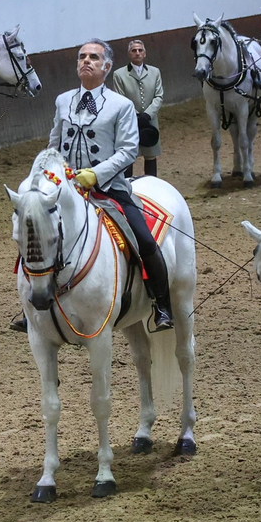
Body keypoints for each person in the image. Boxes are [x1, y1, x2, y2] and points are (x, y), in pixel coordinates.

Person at [35, 39, 173, 334]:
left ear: (107, 67)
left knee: (144, 240)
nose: (87, 61)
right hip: (67, 190)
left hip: (109, 189)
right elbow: (54, 145)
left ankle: (162, 303)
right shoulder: (62, 101)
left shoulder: (121, 106)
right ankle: (33, 301)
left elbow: (127, 150)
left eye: (94, 57)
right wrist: (51, 175)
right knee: (35, 231)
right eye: (82, 57)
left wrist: (96, 175)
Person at [110, 39, 163, 178]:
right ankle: (127, 185)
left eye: (140, 50)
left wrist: (148, 115)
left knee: (150, 155)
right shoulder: (119, 75)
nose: (137, 53)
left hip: (150, 121)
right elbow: (119, 98)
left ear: (144, 53)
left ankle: (152, 183)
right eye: (134, 50)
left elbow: (159, 96)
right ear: (129, 54)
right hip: (129, 121)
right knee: (129, 154)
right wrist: (135, 115)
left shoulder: (155, 72)